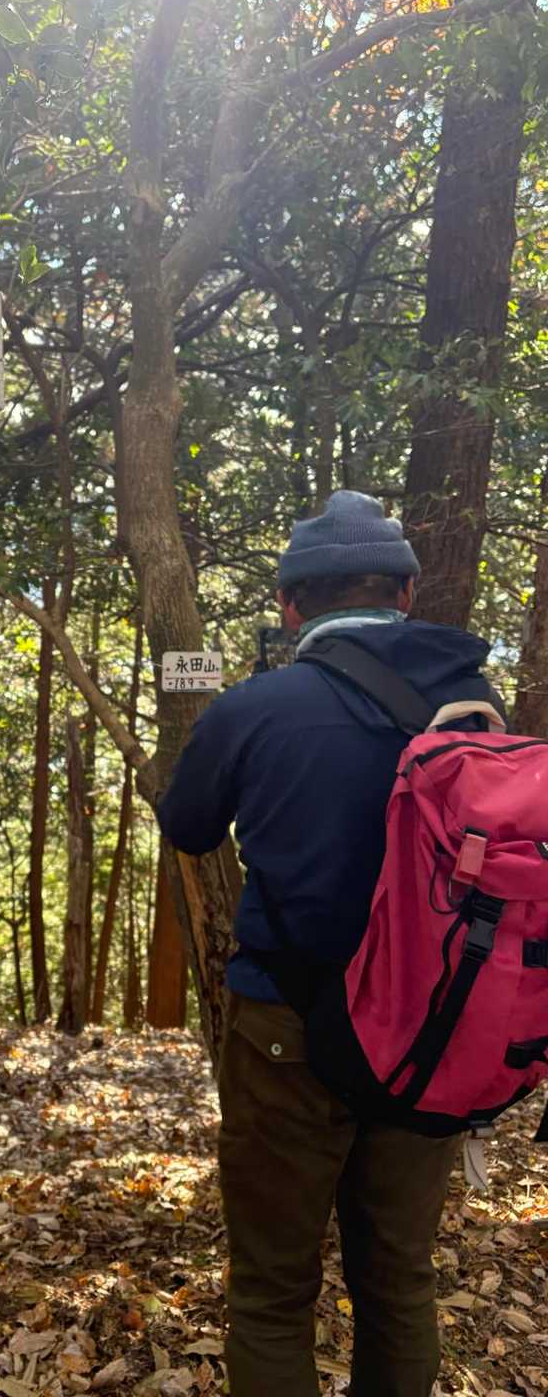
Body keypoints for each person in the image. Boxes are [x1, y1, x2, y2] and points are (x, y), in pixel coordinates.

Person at [157, 490, 502, 1397]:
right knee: (399, 1280)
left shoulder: (256, 706)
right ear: (407, 593)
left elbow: (188, 827)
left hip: (289, 1026)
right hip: (430, 1032)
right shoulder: (476, 710)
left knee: (273, 1291)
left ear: (289, 605)